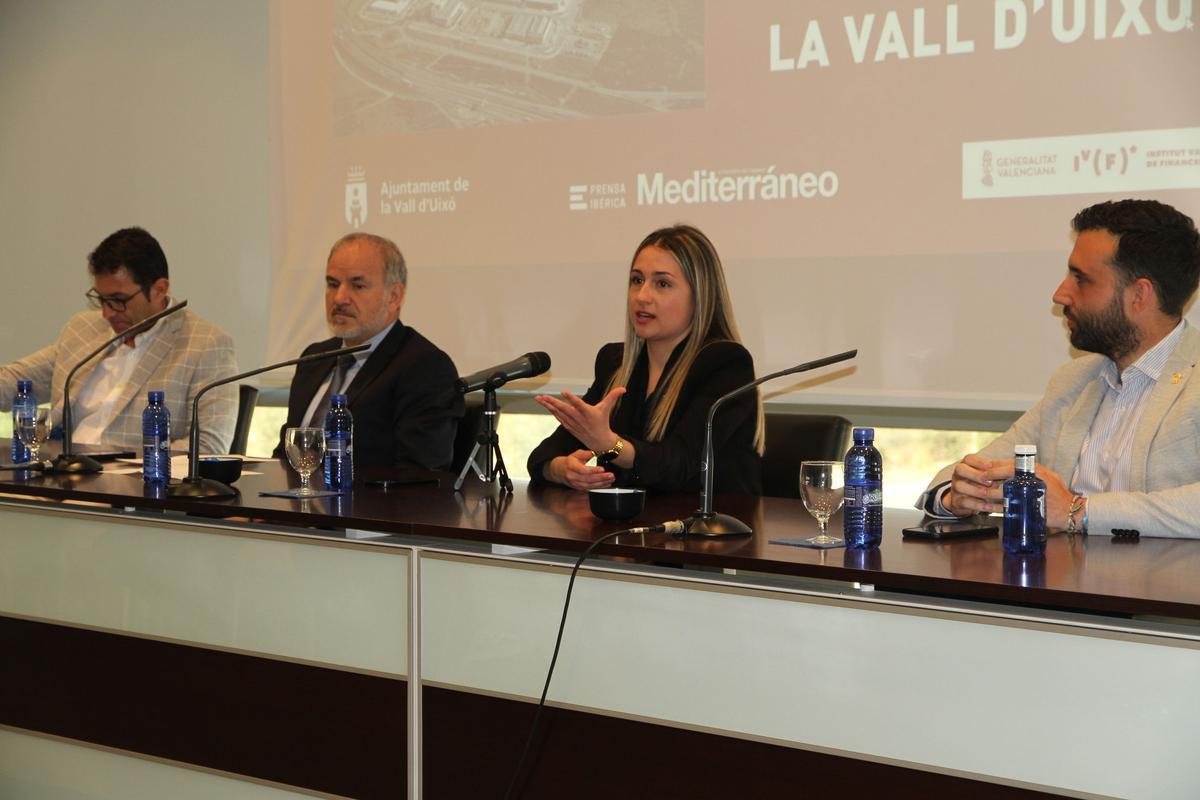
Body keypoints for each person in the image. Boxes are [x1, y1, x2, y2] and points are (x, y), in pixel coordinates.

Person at [919, 199, 1200, 537]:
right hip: (1064, 585)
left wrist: (1076, 510)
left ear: (1139, 295)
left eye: (1081, 279)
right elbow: (967, 471)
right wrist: (954, 496)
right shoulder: (1074, 381)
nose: (1059, 295)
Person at [528, 224, 763, 494]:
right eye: (637, 280)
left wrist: (610, 444)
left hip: (712, 530)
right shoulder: (615, 363)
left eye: (662, 283)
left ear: (701, 296)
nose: (642, 296)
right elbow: (542, 456)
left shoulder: (726, 364)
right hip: (630, 530)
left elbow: (679, 464)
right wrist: (562, 470)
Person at [0, 227, 237, 453]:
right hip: (62, 475)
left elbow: (208, 446)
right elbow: (15, 380)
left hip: (135, 486)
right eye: (101, 299)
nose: (107, 313)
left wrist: (130, 465)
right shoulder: (83, 328)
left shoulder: (206, 345)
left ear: (159, 290)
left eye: (118, 300)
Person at [274, 232, 462, 470]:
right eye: (333, 284)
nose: (340, 298)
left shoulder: (425, 367)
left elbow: (418, 474)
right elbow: (286, 455)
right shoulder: (314, 358)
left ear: (394, 296)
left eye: (357, 285)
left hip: (366, 506)